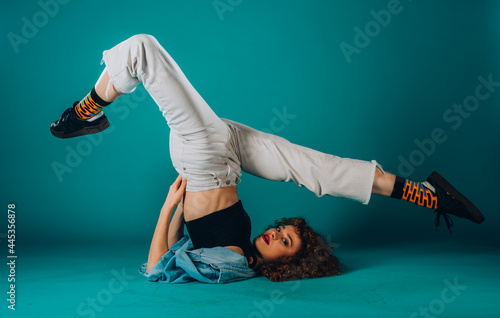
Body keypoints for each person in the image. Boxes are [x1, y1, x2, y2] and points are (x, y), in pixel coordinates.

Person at [50, 34, 484, 283]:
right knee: (310, 166)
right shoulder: (245, 254)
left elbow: (153, 270)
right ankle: (422, 193)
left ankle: (83, 114)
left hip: (202, 160)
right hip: (225, 154)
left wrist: (167, 210)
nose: (275, 233)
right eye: (283, 231)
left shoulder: (233, 266)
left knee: (142, 48)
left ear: (285, 264)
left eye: (283, 241)